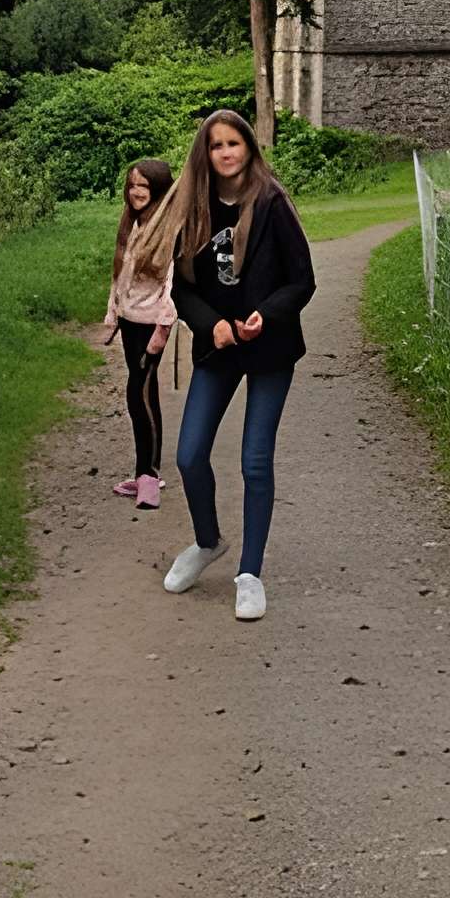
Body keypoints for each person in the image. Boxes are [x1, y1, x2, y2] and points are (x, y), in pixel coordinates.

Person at [152, 108, 316, 623]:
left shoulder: (272, 202)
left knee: (254, 461)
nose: (225, 153)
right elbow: (183, 286)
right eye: (216, 145)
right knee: (189, 454)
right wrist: (212, 326)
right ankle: (208, 542)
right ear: (206, 152)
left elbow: (302, 280)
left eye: (233, 143)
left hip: (268, 347)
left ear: (249, 147)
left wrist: (264, 316)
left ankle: (250, 574)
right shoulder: (194, 205)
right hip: (217, 347)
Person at [101, 156, 176, 508]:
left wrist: (162, 330)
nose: (136, 192)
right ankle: (148, 472)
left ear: (158, 189)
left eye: (143, 186)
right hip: (131, 321)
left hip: (151, 327)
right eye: (132, 185)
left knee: (138, 393)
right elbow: (121, 276)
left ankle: (147, 478)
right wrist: (113, 313)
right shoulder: (132, 224)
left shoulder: (169, 229)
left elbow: (173, 286)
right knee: (146, 394)